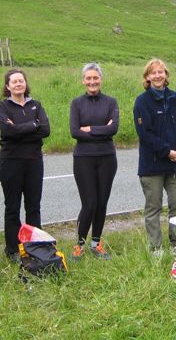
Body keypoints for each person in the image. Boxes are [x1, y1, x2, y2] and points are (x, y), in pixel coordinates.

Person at [134, 58, 176, 255]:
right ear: (147, 77)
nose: (157, 76)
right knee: (153, 208)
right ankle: (155, 248)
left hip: (175, 165)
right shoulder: (142, 102)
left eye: (161, 72)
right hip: (152, 165)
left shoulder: (175, 98)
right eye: (153, 73)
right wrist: (167, 151)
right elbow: (145, 134)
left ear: (166, 75)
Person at [0, 69, 50, 262]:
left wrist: (22, 128)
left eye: (21, 81)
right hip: (11, 163)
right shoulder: (2, 107)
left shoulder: (36, 105)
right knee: (12, 207)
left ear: (25, 84)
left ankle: (36, 246)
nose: (18, 84)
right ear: (7, 86)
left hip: (34, 162)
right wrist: (32, 125)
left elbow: (46, 129)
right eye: (14, 81)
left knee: (33, 206)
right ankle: (12, 249)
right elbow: (8, 131)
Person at [69, 63, 119, 260]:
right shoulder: (76, 103)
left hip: (107, 157)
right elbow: (74, 132)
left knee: (102, 203)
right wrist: (101, 130)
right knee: (89, 203)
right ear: (83, 80)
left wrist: (89, 129)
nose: (92, 81)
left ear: (101, 79)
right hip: (84, 159)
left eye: (95, 78)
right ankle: (79, 245)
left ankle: (96, 243)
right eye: (88, 78)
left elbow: (113, 129)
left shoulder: (111, 102)